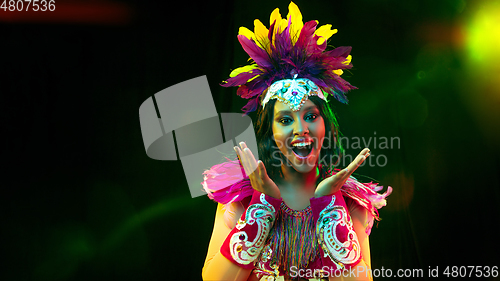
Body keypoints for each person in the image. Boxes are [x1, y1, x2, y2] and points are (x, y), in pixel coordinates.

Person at [201, 2, 391, 280]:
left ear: (326, 124)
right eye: (286, 120)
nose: (301, 128)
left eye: (311, 116)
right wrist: (263, 203)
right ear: (270, 132)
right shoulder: (239, 196)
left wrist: (328, 204)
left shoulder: (352, 203)